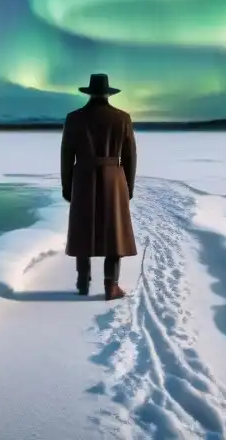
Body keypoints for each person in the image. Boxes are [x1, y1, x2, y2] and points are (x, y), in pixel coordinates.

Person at [60, 73, 138, 299]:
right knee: (114, 231)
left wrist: (67, 186)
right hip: (114, 178)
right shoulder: (122, 118)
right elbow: (130, 156)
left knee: (82, 228)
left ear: (90, 92)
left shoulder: (74, 118)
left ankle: (83, 282)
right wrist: (128, 187)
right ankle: (111, 285)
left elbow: (67, 155)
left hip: (83, 176)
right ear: (107, 93)